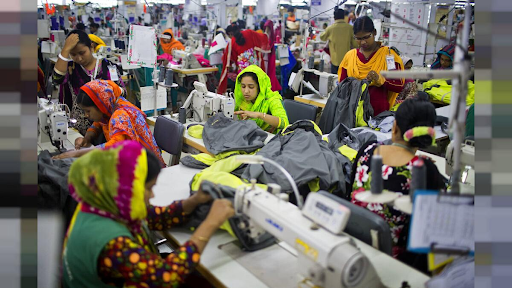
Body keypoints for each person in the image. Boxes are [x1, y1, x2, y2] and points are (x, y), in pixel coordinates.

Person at [62, 140, 235, 287]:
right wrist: (210, 224)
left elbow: (151, 216)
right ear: (127, 187)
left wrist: (194, 200)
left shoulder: (103, 201)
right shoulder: (111, 241)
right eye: (149, 188)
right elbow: (166, 278)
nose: (153, 195)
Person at [350, 98, 447, 259]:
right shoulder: (425, 170)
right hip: (394, 259)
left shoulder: (367, 150)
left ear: (394, 128)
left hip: (355, 244)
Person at [52, 80, 166, 167]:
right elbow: (99, 123)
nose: (86, 115)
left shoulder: (120, 114)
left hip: (149, 168)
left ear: (100, 105)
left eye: (88, 111)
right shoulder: (110, 106)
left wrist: (77, 154)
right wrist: (87, 137)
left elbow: (117, 145)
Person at [52, 30, 125, 136]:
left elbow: (123, 93)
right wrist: (65, 49)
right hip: (80, 129)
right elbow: (57, 78)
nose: (79, 58)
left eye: (82, 53)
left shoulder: (108, 67)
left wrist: (106, 90)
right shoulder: (71, 68)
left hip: (107, 127)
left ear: (91, 47)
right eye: (73, 54)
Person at [338, 16, 404, 116]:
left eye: (366, 37)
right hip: (352, 113)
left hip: (379, 114)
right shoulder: (350, 56)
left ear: (374, 32)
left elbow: (398, 85)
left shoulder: (388, 56)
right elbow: (342, 85)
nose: (363, 42)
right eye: (358, 38)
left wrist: (380, 80)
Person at [233, 65, 289, 133]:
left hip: (271, 140)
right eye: (243, 86)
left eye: (251, 87)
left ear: (260, 87)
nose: (246, 91)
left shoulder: (272, 99)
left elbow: (284, 123)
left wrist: (259, 115)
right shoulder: (243, 100)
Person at [218, 24, 272, 94]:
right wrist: (268, 28)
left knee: (244, 92)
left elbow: (227, 60)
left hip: (243, 73)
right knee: (256, 90)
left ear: (230, 34)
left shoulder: (231, 42)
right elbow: (264, 38)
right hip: (255, 70)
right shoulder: (250, 33)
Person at [320, 8, 357, 74]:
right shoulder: (350, 28)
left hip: (335, 61)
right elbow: (355, 45)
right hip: (347, 61)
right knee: (345, 80)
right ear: (344, 17)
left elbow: (322, 37)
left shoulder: (330, 28)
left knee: (334, 81)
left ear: (334, 17)